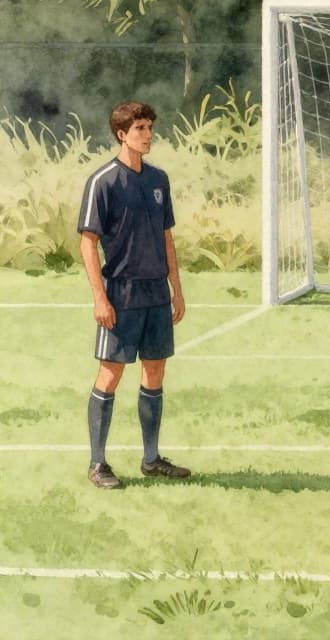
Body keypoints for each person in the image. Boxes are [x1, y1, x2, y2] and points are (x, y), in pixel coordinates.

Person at [78, 101, 191, 489]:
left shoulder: (159, 180)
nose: (147, 134)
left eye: (149, 127)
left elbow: (166, 237)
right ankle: (97, 464)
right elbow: (88, 243)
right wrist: (99, 297)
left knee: (155, 371)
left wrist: (177, 289)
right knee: (110, 374)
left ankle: (151, 458)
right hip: (121, 293)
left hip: (156, 292)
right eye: (140, 128)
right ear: (122, 134)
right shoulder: (104, 181)